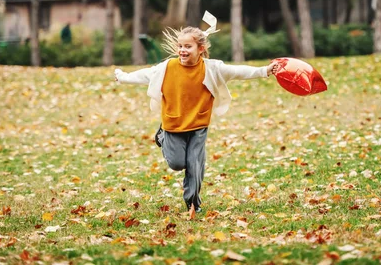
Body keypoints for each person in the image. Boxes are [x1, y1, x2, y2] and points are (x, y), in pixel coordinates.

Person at [114, 12, 279, 216]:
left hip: (199, 125)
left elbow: (238, 71)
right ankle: (162, 137)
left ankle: (193, 203)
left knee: (195, 164)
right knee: (176, 164)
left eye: (188, 47)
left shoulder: (212, 69)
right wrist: (122, 77)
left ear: (200, 49)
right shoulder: (167, 68)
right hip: (173, 126)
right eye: (180, 46)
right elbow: (144, 75)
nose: (182, 50)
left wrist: (265, 70)